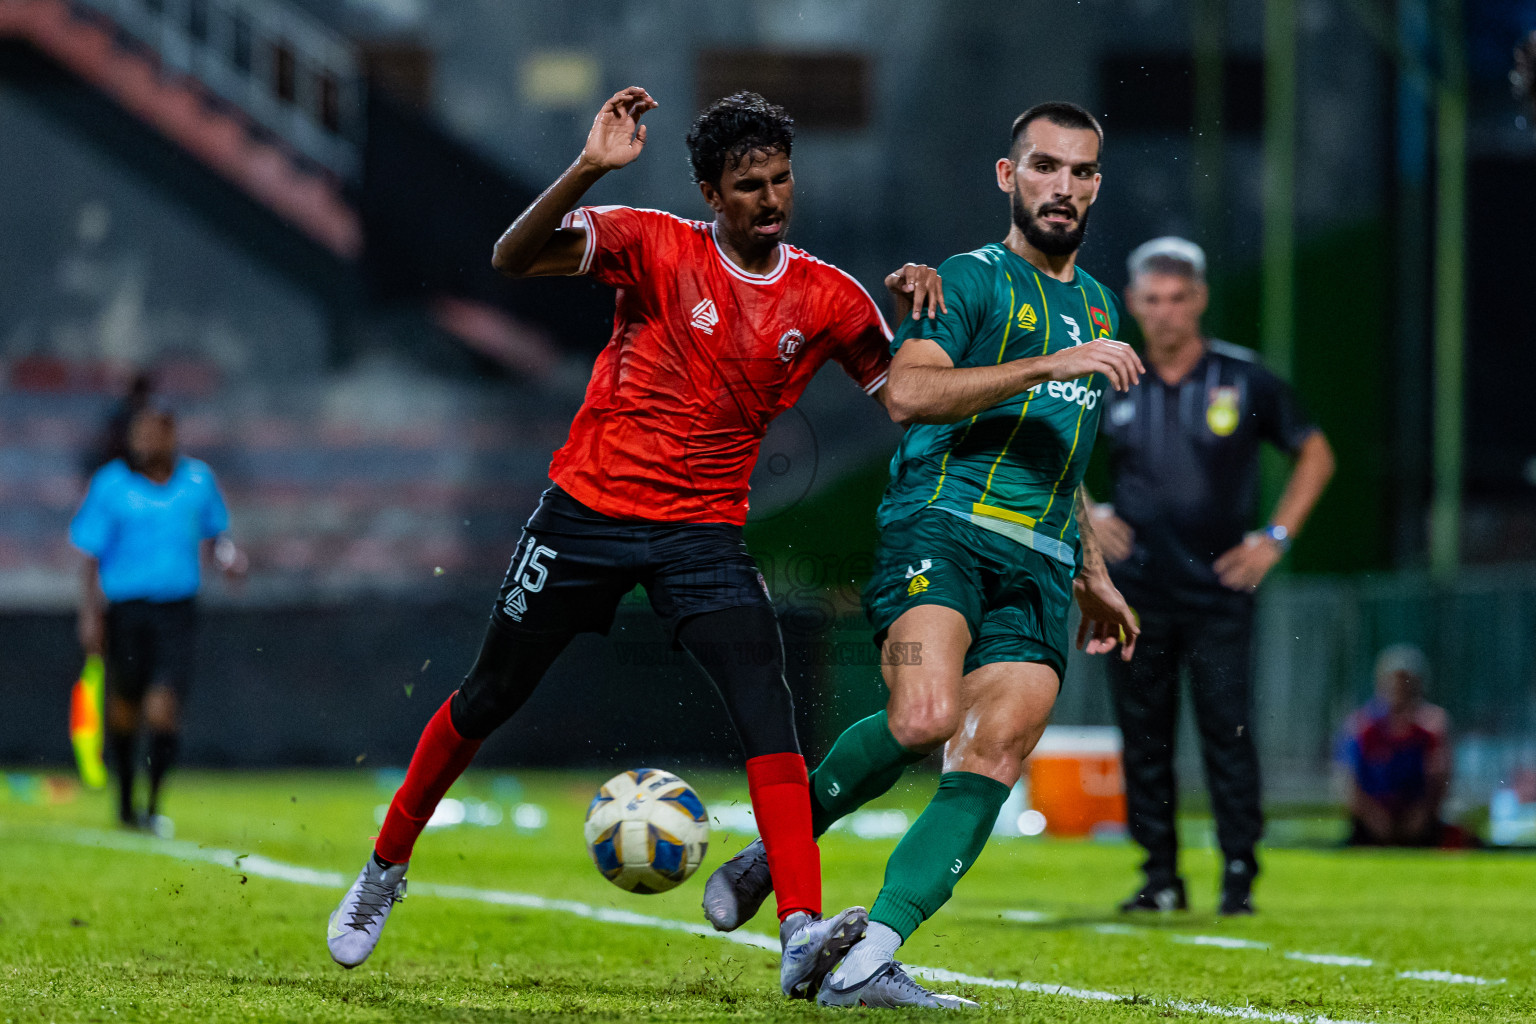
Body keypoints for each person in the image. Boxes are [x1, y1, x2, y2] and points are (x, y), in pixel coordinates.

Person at [324, 87, 946, 1003]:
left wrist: (927, 319)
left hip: (702, 536)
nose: (770, 200)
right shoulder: (651, 240)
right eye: (748, 185)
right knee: (489, 693)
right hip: (585, 515)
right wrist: (586, 169)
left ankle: (801, 932)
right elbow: (510, 257)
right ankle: (385, 865)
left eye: (781, 180)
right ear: (709, 192)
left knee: (766, 710)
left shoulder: (830, 298)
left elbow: (905, 396)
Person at [704, 101, 1144, 1009]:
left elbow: (1065, 463)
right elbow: (906, 393)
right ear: (1006, 176)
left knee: (995, 753)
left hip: (1041, 565)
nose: (1063, 187)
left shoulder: (1098, 305)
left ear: (1098, 184)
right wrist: (1045, 367)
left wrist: (1094, 574)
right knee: (922, 718)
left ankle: (869, 959)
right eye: (1045, 167)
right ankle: (779, 848)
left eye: (1082, 172)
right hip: (939, 530)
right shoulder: (966, 282)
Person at [1087, 236, 1335, 915]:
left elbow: (1315, 455)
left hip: (1222, 591)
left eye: (1178, 298)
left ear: (1198, 300)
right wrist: (1087, 511)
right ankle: (1160, 874)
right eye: (1152, 300)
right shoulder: (1112, 378)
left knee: (1228, 730)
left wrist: (1274, 537)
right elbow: (1051, 449)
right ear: (1133, 303)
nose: (1165, 313)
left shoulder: (1245, 378)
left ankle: (1238, 872)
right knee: (1143, 735)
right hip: (1134, 592)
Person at [69, 407, 244, 832]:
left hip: (177, 611)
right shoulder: (111, 484)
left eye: (153, 434)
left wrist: (228, 559)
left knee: (164, 708)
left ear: (171, 436)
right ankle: (127, 802)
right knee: (125, 709)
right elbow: (89, 554)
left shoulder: (197, 481)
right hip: (126, 611)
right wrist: (91, 615)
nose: (144, 443)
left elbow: (216, 534)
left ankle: (153, 802)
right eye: (138, 435)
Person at [1339, 645, 1450, 847]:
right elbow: (1350, 780)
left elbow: (1439, 777)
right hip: (1371, 821)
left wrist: (1422, 814)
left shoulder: (1430, 728)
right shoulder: (1362, 727)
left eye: (1407, 686)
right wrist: (1373, 818)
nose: (1400, 692)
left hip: (1418, 820)